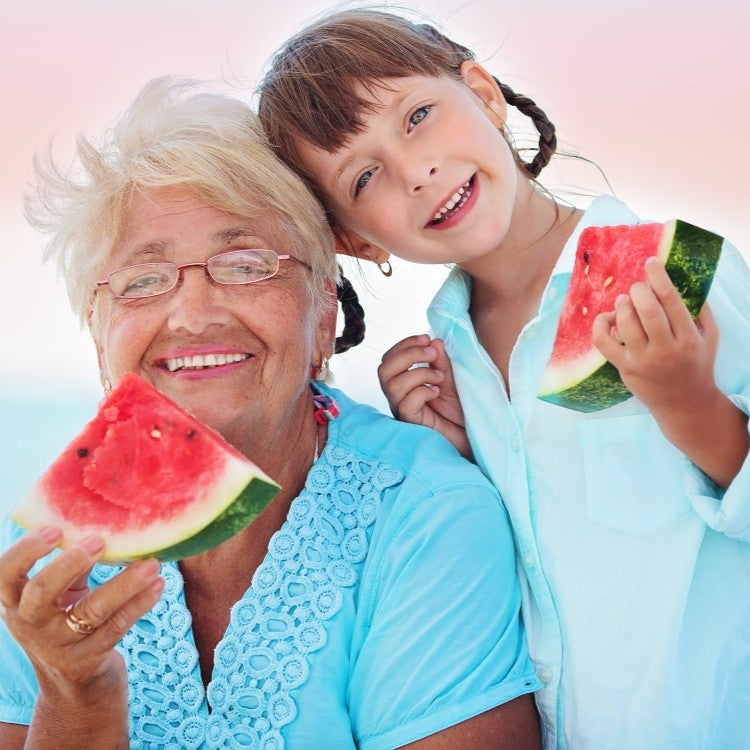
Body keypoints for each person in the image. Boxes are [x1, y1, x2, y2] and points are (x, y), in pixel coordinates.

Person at [257, 9, 750, 749]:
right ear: (357, 240)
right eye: (365, 177)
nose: (415, 171)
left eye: (418, 116)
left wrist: (690, 404)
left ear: (484, 96)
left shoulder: (673, 269)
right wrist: (454, 466)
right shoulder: (449, 360)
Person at [0, 77, 543, 749]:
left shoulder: (429, 515)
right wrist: (74, 696)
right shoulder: (43, 559)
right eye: (143, 281)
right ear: (98, 334)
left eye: (246, 263)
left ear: (324, 315)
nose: (194, 314)